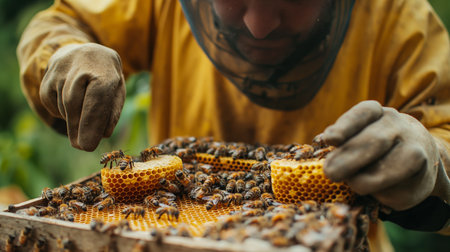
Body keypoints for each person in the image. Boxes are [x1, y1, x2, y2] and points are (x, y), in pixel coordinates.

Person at [17, 0, 450, 250]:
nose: (258, 26)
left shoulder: (400, 21)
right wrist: (68, 53)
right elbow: (61, 21)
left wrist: (436, 161)